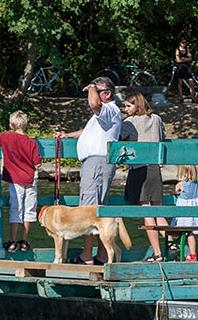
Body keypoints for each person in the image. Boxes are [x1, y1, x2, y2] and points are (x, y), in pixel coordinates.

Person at [60, 76, 123, 264]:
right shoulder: (103, 116)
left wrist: (90, 88)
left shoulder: (110, 109)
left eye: (98, 90)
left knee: (88, 212)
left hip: (97, 163)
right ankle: (101, 256)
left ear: (107, 93)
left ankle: (87, 256)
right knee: (97, 212)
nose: (93, 93)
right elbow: (88, 130)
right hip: (96, 163)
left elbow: (94, 104)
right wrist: (68, 135)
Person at [119, 91, 168, 262]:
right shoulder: (156, 119)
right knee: (158, 211)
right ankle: (171, 240)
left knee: (147, 211)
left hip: (139, 168)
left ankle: (157, 252)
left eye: (128, 106)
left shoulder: (129, 122)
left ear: (137, 105)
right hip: (155, 167)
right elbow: (164, 136)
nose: (125, 109)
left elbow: (118, 137)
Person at [0, 111, 42, 253]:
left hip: (15, 179)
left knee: (15, 208)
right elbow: (37, 163)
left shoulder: (6, 137)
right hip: (30, 179)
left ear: (11, 125)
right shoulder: (31, 142)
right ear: (26, 126)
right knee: (29, 209)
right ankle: (24, 241)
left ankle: (12, 241)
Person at [170, 165, 198, 261]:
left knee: (189, 232)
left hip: (186, 211)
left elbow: (176, 192)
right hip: (197, 209)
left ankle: (193, 254)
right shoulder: (195, 183)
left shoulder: (180, 184)